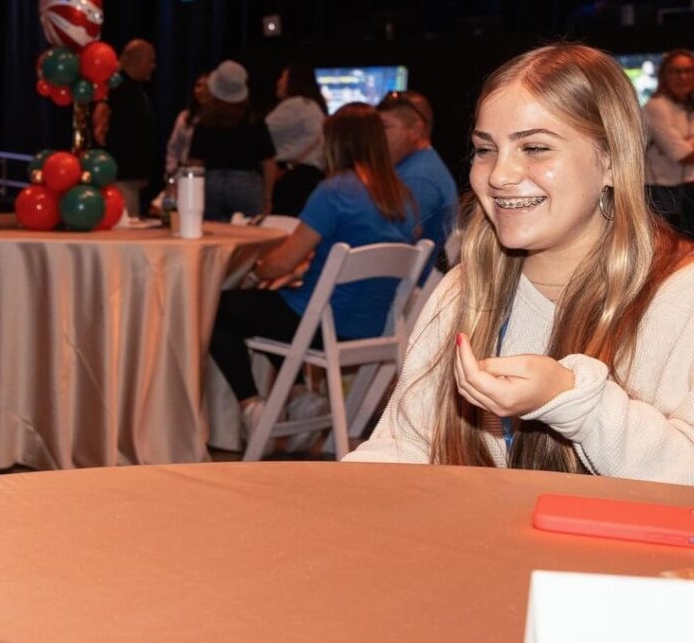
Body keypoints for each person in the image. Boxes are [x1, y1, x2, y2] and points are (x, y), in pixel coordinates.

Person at [348, 43, 694, 483]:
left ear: (611, 161)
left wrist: (573, 399)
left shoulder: (681, 294)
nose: (498, 175)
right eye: (485, 149)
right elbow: (406, 444)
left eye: (534, 148)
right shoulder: (465, 288)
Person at [209, 103, 417, 440]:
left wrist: (259, 269)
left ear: (336, 143)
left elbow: (281, 263)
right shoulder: (402, 197)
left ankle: (253, 408)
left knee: (218, 309)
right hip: (370, 325)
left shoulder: (335, 191)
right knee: (266, 307)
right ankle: (299, 397)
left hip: (323, 322)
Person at [376, 89, 459, 272]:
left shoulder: (419, 179)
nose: (376, 137)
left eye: (385, 127)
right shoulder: (418, 167)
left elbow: (389, 246)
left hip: (405, 289)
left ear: (415, 129)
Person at [188, 60, 276, 221]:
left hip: (212, 183)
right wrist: (268, 197)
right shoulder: (253, 120)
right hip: (247, 183)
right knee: (250, 235)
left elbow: (195, 161)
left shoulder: (205, 121)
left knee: (214, 234)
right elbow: (268, 161)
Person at [92, 37, 158, 217]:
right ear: (138, 59)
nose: (153, 66)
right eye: (151, 60)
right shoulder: (115, 88)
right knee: (124, 227)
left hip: (128, 176)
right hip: (120, 177)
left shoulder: (130, 88)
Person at [642, 48, 694, 238]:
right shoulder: (656, 107)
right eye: (676, 71)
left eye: (688, 71)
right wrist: (687, 147)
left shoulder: (688, 106)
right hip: (660, 191)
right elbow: (680, 155)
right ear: (664, 76)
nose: (683, 77)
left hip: (686, 189)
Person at [265, 62, 327, 216]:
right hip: (310, 175)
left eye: (283, 77)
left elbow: (262, 132)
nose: (278, 82)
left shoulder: (295, 105)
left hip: (292, 177)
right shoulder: (313, 106)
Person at [164, 72, 210, 177]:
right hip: (185, 172)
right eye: (199, 86)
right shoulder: (185, 116)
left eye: (207, 87)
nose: (202, 90)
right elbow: (173, 146)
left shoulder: (219, 119)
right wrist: (171, 170)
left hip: (210, 175)